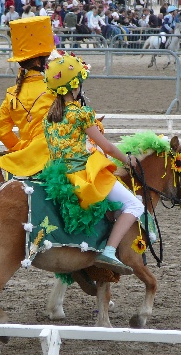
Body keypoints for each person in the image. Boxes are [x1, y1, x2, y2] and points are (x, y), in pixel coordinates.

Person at [42, 50, 143, 275]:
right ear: (75, 86)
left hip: (60, 177)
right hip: (84, 175)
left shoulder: (48, 118)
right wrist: (128, 159)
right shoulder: (82, 114)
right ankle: (109, 251)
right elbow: (106, 147)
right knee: (136, 205)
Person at [0, 16, 56, 177]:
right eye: (46, 57)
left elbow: (1, 129)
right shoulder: (55, 89)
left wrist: (20, 147)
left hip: (23, 158)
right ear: (37, 61)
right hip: (52, 158)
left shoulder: (11, 93)